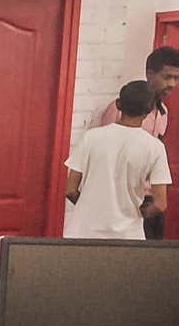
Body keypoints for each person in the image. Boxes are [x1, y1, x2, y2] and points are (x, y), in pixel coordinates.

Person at [66, 80, 171, 240]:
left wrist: (89, 207)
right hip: (128, 235)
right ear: (149, 110)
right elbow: (160, 204)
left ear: (118, 104)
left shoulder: (91, 137)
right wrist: (137, 213)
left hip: (83, 230)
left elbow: (70, 190)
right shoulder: (154, 147)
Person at [95, 49, 179, 238]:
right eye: (167, 77)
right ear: (150, 73)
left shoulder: (164, 112)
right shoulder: (119, 111)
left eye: (176, 78)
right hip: (122, 201)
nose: (172, 84)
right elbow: (107, 159)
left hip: (150, 201)